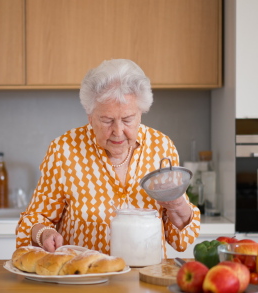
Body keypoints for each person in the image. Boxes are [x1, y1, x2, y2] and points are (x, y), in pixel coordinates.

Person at [16, 59, 200, 255]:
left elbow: (179, 240)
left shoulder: (161, 147)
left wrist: (178, 204)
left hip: (144, 277)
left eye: (128, 119)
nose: (118, 131)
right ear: (90, 116)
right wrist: (44, 233)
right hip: (84, 277)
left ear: (141, 114)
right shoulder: (64, 150)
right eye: (107, 120)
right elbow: (34, 219)